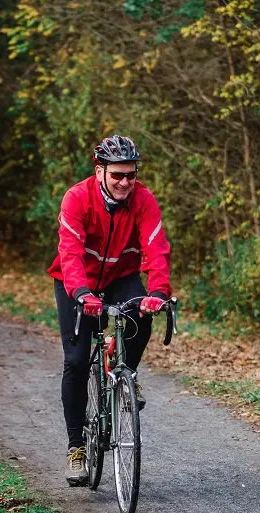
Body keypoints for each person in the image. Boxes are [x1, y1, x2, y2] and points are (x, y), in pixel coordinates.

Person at [47, 135, 172, 485]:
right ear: (99, 170)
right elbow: (70, 252)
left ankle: (125, 375)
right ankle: (76, 448)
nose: (125, 183)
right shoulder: (77, 198)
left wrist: (159, 290)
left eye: (131, 175)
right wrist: (82, 292)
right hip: (77, 282)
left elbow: (156, 248)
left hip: (121, 277)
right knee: (75, 361)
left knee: (142, 314)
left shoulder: (143, 200)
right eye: (117, 175)